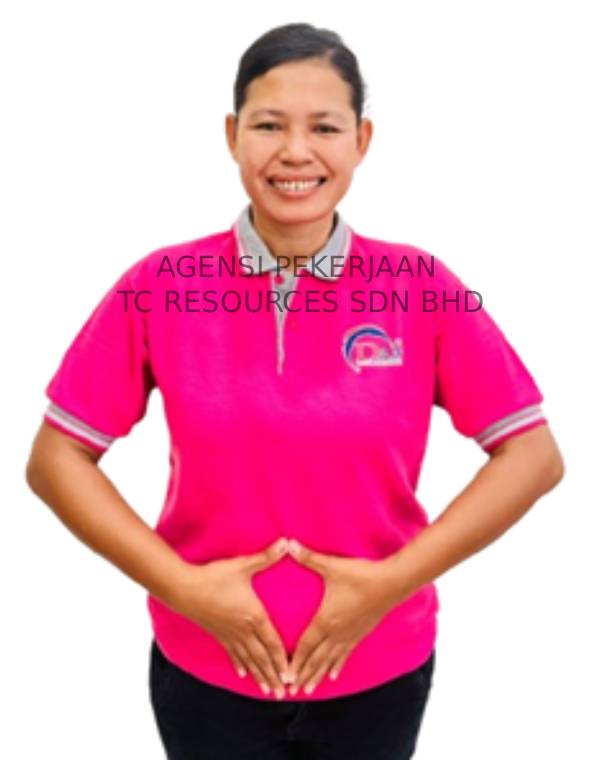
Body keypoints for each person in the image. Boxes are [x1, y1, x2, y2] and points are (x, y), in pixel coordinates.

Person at [26, 21, 564, 760]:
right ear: (232, 135)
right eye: (269, 125)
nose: (295, 152)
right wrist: (185, 589)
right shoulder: (160, 284)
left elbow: (533, 456)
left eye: (325, 127)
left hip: (380, 670)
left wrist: (386, 586)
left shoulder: (421, 285)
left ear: (362, 141)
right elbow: (55, 460)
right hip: (204, 673)